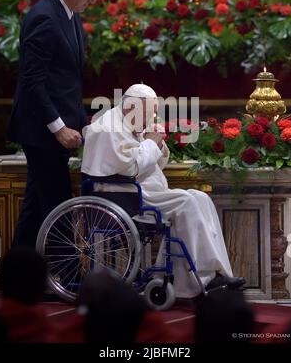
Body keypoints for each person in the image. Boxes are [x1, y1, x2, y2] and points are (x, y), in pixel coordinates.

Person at [81, 83, 245, 298]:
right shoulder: (108, 128)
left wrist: (156, 144)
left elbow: (152, 163)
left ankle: (214, 273)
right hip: (123, 194)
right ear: (130, 106)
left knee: (201, 198)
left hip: (141, 189)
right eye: (148, 112)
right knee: (187, 202)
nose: (151, 118)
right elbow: (129, 168)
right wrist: (150, 143)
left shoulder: (129, 120)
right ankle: (204, 278)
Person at [8, 0, 106, 248]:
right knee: (57, 204)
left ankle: (20, 275)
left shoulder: (71, 15)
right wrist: (59, 128)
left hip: (57, 127)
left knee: (36, 205)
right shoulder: (44, 17)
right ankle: (68, 276)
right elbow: (32, 82)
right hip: (42, 130)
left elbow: (68, 84)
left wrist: (83, 123)